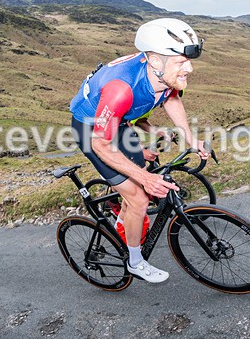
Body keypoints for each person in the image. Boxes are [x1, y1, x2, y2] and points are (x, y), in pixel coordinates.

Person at [69, 18, 209, 284]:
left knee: (141, 177)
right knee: (140, 197)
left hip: (120, 122)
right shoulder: (121, 90)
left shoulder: (162, 74)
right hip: (91, 131)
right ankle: (135, 261)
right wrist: (144, 179)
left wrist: (190, 138)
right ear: (156, 61)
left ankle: (123, 220)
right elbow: (100, 144)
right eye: (181, 62)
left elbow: (172, 99)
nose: (189, 69)